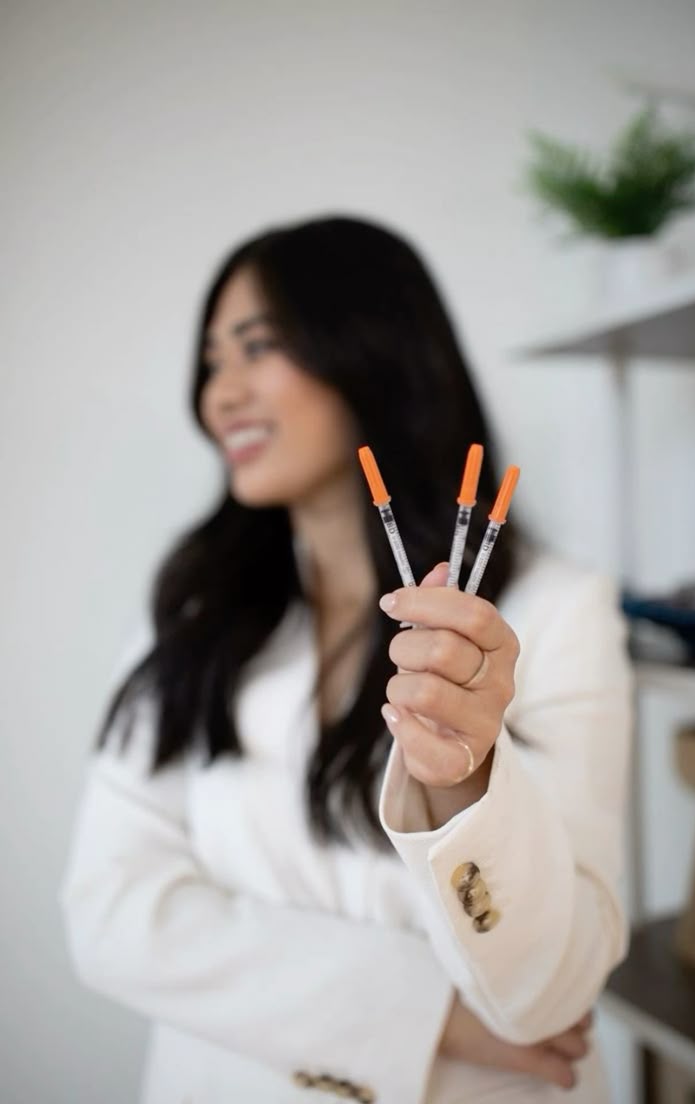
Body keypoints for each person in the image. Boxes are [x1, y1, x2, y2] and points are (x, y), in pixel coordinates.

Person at [59, 214, 632, 1103]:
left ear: (372, 348)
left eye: (258, 347)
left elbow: (552, 992)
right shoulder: (196, 618)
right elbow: (113, 910)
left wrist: (467, 781)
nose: (220, 396)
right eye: (212, 362)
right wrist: (425, 1012)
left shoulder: (555, 611)